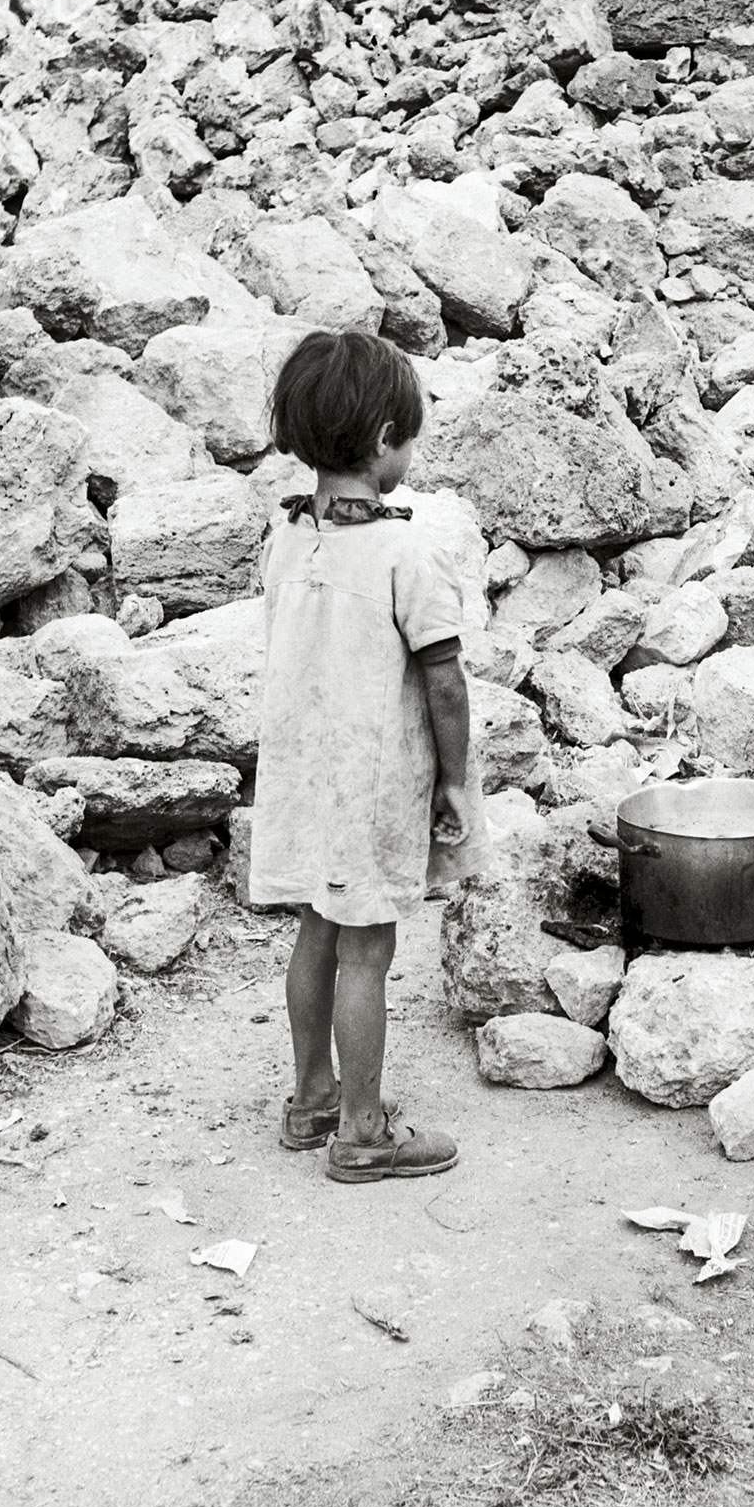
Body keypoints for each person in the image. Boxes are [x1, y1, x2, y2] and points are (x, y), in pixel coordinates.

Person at [249, 330, 488, 1180]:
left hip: (303, 774)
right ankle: (361, 1131)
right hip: (371, 782)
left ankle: (310, 1095)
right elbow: (445, 679)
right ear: (386, 438)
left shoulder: (289, 541)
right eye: (411, 436)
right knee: (366, 952)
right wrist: (456, 781)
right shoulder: (405, 550)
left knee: (315, 928)